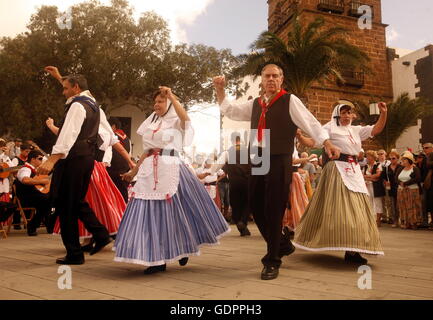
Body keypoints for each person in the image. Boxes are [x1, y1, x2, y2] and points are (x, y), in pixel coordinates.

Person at [213, 64, 341, 280]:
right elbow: (230, 110)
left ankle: (272, 260)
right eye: (267, 76)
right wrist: (220, 90)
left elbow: (311, 123)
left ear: (281, 79)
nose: (271, 79)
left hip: (279, 157)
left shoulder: (290, 100)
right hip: (258, 158)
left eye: (275, 76)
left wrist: (326, 142)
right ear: (262, 80)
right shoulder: (255, 104)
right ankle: (281, 244)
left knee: (274, 208)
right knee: (255, 203)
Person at [114, 87, 230, 274]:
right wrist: (133, 171)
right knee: (150, 214)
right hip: (150, 171)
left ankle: (181, 247)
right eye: (155, 102)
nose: (156, 105)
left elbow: (186, 119)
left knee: (175, 213)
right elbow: (147, 150)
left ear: (169, 103)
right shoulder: (151, 121)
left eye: (160, 102)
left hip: (172, 168)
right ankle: (157, 259)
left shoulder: (176, 120)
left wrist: (173, 98)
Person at [293, 103, 387, 264]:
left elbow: (376, 129)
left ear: (353, 115)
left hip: (355, 171)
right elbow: (314, 141)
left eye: (349, 112)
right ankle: (345, 246)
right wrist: (301, 137)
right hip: (337, 169)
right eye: (343, 112)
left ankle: (353, 249)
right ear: (337, 114)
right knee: (342, 208)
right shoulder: (329, 128)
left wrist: (384, 113)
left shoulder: (356, 130)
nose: (346, 115)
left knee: (359, 208)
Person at [38, 72, 113, 265]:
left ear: (76, 88)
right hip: (86, 158)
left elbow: (67, 136)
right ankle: (100, 234)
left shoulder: (78, 105)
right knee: (75, 201)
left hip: (73, 159)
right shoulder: (94, 105)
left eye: (65, 88)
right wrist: (60, 76)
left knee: (66, 206)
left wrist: (51, 161)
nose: (63, 92)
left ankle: (75, 253)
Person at [213, 134, 251, 236]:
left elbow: (217, 165)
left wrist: (209, 172)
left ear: (232, 141)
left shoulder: (227, 152)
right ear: (240, 140)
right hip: (246, 181)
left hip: (234, 182)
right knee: (247, 202)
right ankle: (243, 221)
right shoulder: (248, 151)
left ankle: (241, 225)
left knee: (236, 203)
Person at [14, 150, 53, 236]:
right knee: (47, 200)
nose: (41, 160)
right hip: (26, 197)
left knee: (53, 198)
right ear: (32, 159)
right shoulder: (25, 169)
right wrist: (41, 181)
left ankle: (48, 225)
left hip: (36, 195)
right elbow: (25, 180)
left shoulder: (36, 171)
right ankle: (38, 225)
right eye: (40, 158)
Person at [107, 117, 132, 203]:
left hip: (111, 170)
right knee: (122, 195)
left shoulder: (111, 136)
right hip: (124, 170)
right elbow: (129, 154)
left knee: (110, 196)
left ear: (113, 126)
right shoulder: (127, 139)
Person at [396, 151, 423, 229]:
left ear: (409, 160)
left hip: (412, 190)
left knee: (413, 206)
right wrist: (400, 183)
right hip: (401, 190)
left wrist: (406, 183)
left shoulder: (415, 168)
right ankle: (406, 222)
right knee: (403, 206)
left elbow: (418, 178)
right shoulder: (400, 168)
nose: (403, 161)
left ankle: (414, 222)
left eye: (404, 159)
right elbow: (396, 178)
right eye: (403, 159)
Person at [363, 150, 385, 227]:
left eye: (368, 156)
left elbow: (378, 175)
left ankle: (378, 220)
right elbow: (363, 176)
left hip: (376, 187)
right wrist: (372, 178)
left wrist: (368, 177)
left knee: (378, 203)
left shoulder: (378, 165)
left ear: (372, 157)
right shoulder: (366, 166)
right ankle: (371, 220)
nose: (367, 158)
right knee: (369, 203)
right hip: (368, 186)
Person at [381, 151, 403, 227]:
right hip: (391, 188)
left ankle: (403, 221)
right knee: (393, 205)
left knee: (400, 205)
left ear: (397, 158)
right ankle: (395, 221)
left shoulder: (401, 167)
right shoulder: (387, 168)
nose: (392, 160)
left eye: (393, 158)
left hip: (400, 188)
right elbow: (383, 178)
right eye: (390, 158)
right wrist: (385, 182)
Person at [0, 139, 13, 203]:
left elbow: (12, 167)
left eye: (2, 145)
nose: (2, 147)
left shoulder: (5, 156)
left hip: (4, 182)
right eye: (0, 145)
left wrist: (5, 156)